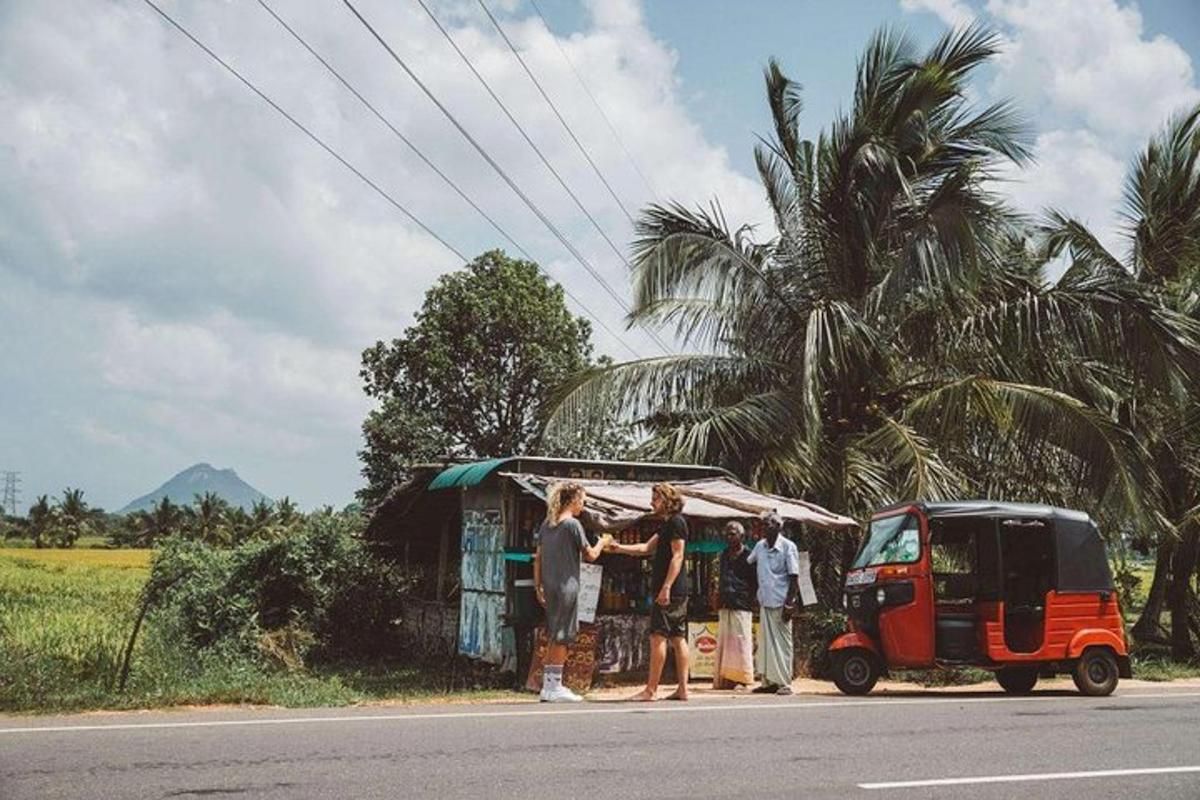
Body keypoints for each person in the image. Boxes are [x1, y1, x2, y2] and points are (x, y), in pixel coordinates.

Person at [604, 483, 690, 701]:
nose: (652, 502)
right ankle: (682, 689)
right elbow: (645, 548)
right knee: (678, 636)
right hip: (673, 589)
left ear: (667, 500)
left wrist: (666, 587)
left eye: (656, 498)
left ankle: (651, 690)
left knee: (658, 636)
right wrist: (619, 548)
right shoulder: (666, 525)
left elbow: (678, 556)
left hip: (670, 588)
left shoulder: (676, 523)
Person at [533, 482, 611, 702]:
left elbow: (537, 558)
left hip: (549, 586)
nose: (583, 506)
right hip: (567, 587)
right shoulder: (572, 525)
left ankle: (549, 686)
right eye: (582, 501)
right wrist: (603, 542)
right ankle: (555, 686)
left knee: (554, 634)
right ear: (574, 500)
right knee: (563, 636)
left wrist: (538, 586)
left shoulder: (547, 525)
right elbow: (590, 555)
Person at [747, 511, 800, 695]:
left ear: (778, 527)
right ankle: (768, 682)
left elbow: (794, 577)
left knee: (782, 644)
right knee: (766, 644)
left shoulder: (788, 547)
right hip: (765, 600)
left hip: (781, 601)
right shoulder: (760, 546)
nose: (764, 528)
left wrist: (790, 603)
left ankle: (784, 683)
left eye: (768, 524)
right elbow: (749, 562)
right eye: (762, 525)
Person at [713, 521, 756, 689]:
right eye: (727, 534)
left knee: (741, 643)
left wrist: (750, 599)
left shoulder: (749, 555)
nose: (729, 537)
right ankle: (726, 679)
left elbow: (754, 582)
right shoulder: (724, 555)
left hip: (742, 604)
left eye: (732, 534)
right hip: (726, 603)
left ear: (741, 536)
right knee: (726, 643)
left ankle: (743, 679)